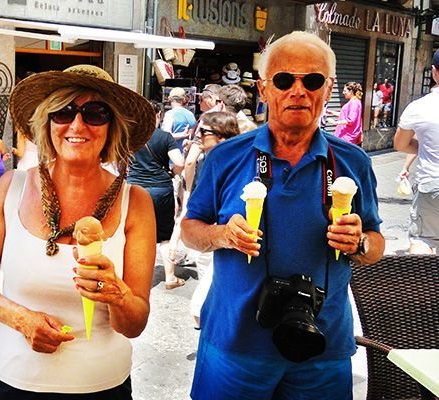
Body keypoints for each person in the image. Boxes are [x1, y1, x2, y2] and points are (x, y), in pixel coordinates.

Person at [181, 31, 384, 399]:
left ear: (328, 88)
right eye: (284, 80)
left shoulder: (352, 162)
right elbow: (189, 230)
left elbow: (375, 245)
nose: (298, 91)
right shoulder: (226, 158)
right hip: (235, 340)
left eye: (313, 80)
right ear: (264, 89)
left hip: (321, 343)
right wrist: (222, 235)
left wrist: (361, 242)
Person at [0, 64, 155, 398]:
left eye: (95, 113)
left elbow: (134, 324)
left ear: (112, 127)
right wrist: (21, 319)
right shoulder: (12, 188)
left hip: (102, 387)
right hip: (9, 382)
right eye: (63, 112)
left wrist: (116, 293)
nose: (77, 125)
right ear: (47, 123)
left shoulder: (135, 202)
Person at [184, 111, 240, 328]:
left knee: (209, 276)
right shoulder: (211, 158)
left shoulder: (222, 160)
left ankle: (202, 315)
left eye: (204, 131)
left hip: (216, 231)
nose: (199, 135)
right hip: (205, 226)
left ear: (221, 136)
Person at [127, 100, 185, 289]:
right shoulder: (164, 137)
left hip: (135, 189)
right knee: (164, 237)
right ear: (158, 116)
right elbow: (179, 162)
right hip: (161, 190)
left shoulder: (130, 137)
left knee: (133, 234)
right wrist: (173, 173)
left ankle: (132, 277)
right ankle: (169, 278)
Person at [393, 48, 439, 254]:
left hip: (431, 184)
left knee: (423, 242)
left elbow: (400, 144)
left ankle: (422, 287)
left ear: (434, 72)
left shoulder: (419, 107)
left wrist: (425, 147)